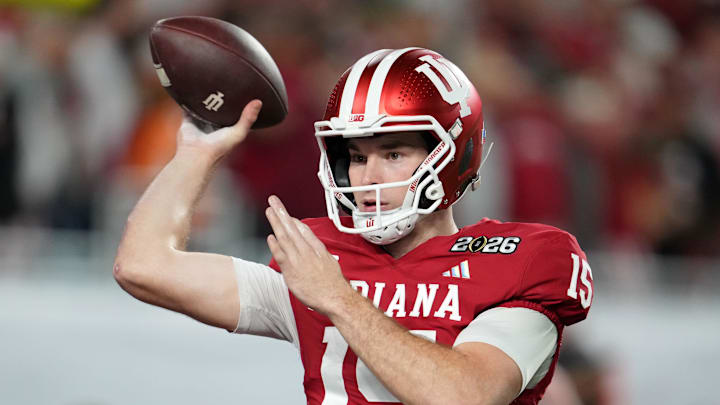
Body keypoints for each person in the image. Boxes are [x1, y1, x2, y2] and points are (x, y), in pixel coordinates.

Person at [114, 47, 593, 405]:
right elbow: (143, 266)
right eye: (357, 157)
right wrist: (196, 153)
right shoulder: (321, 258)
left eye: (394, 154)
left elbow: (463, 395)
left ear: (455, 155)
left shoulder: (520, 258)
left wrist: (340, 299)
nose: (368, 176)